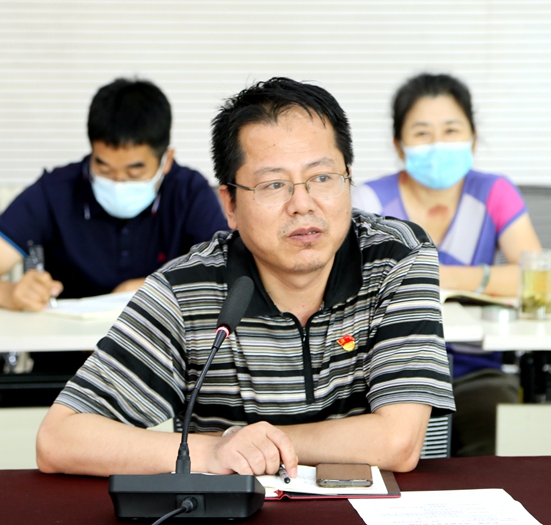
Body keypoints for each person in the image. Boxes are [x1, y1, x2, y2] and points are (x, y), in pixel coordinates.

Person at [36, 77, 455, 478]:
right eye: (273, 185)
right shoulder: (186, 289)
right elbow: (59, 440)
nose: (302, 203)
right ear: (230, 205)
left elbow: (398, 442)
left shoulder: (396, 257)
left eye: (323, 178)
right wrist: (214, 452)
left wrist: (252, 445)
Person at [0, 78, 228, 385]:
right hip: (65, 372)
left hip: (161, 368)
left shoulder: (189, 193)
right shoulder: (56, 191)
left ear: (166, 160)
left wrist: (155, 288)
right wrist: (10, 294)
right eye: (104, 169)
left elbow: (227, 275)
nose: (118, 182)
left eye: (134, 171)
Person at [352, 73, 542, 457]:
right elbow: (354, 285)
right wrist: (485, 279)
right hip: (385, 371)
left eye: (451, 130)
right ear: (399, 144)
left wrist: (436, 275)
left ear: (473, 137)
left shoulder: (494, 192)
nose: (438, 143)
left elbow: (534, 277)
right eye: (422, 132)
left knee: (496, 443)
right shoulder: (368, 200)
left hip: (476, 369)